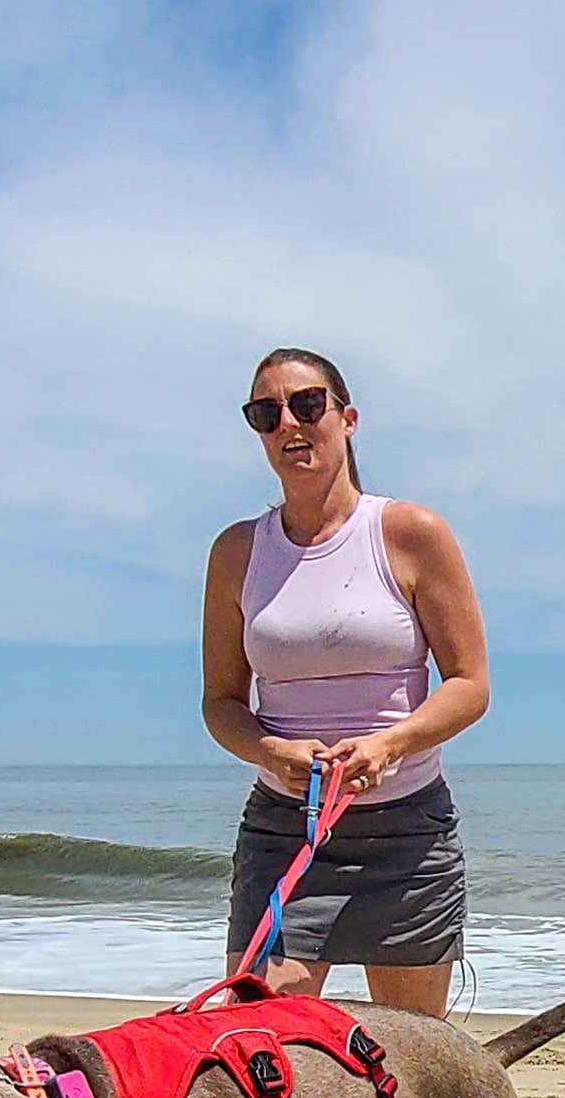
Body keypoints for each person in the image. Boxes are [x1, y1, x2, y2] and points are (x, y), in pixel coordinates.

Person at [201, 347, 491, 1022]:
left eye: (307, 405)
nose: (288, 425)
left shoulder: (409, 532)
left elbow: (469, 684)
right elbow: (220, 703)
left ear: (347, 418)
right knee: (259, 1040)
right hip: (286, 830)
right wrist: (273, 752)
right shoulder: (237, 552)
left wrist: (390, 745)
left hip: (406, 832)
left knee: (415, 1055)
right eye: (265, 413)